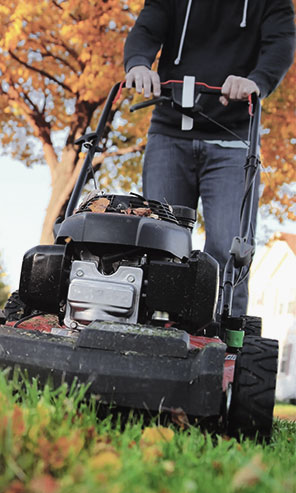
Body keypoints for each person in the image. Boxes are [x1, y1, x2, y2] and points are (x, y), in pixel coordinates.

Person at [123, 0, 295, 317]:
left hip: (232, 141)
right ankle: (151, 334)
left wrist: (257, 81)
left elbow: (280, 44)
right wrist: (138, 63)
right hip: (170, 133)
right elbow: (147, 27)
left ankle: (225, 347)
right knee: (158, 242)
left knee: (230, 248)